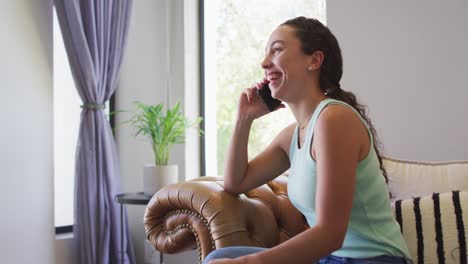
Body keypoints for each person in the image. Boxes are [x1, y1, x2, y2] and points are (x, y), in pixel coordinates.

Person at [203, 16, 413, 264]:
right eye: (265, 53)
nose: (264, 62)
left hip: (371, 259)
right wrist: (243, 119)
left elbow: (330, 234)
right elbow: (235, 183)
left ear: (314, 60)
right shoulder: (294, 135)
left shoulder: (334, 119)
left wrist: (249, 263)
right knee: (219, 257)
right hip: (331, 258)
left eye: (277, 50)